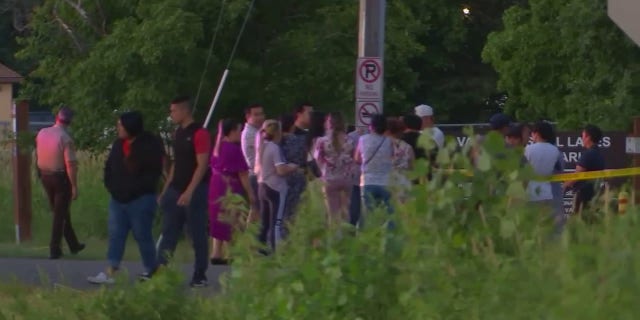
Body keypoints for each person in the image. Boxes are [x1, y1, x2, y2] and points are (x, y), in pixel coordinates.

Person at [88, 111, 164, 284]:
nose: (118, 129)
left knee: (142, 235)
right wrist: (111, 186)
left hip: (141, 199)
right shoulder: (117, 145)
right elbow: (109, 167)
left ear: (131, 126)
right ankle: (111, 270)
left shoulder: (149, 145)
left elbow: (154, 173)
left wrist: (136, 189)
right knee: (116, 234)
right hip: (117, 199)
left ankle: (151, 269)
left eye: (121, 125)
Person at [157, 96, 211, 288]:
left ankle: (200, 274)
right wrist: (166, 190)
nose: (171, 114)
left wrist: (189, 191)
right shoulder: (177, 133)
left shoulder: (200, 133)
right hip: (175, 188)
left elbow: (202, 165)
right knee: (169, 231)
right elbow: (176, 164)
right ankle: (161, 270)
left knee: (197, 233)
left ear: (184, 111)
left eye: (173, 111)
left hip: (195, 191)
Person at [35, 106, 85, 259]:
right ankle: (54, 248)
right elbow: (70, 164)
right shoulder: (65, 138)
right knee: (59, 214)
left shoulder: (42, 133)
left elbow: (37, 153)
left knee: (61, 211)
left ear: (57, 117)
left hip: (45, 175)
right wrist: (74, 186)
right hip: (60, 178)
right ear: (70, 121)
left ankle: (73, 244)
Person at [208, 119, 254, 265]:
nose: (240, 134)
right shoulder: (234, 150)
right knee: (233, 217)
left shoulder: (218, 147)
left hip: (215, 185)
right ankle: (232, 252)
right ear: (232, 131)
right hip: (229, 185)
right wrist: (250, 193)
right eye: (238, 131)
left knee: (219, 217)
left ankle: (216, 252)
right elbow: (243, 174)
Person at [255, 120, 299, 252]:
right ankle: (277, 250)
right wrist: (293, 167)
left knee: (264, 221)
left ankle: (260, 247)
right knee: (276, 222)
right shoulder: (274, 148)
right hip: (275, 187)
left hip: (262, 185)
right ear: (277, 133)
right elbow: (281, 170)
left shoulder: (261, 147)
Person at [314, 112, 356, 225]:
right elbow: (353, 159)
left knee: (332, 215)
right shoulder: (350, 140)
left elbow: (317, 159)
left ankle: (334, 239)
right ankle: (346, 238)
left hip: (329, 179)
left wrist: (323, 172)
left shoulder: (322, 141)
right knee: (345, 213)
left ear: (329, 123)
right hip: (346, 178)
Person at [355, 114, 394, 223]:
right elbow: (392, 156)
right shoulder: (389, 141)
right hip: (386, 182)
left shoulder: (362, 139)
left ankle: (367, 237)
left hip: (368, 181)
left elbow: (357, 159)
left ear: (371, 126)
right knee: (389, 215)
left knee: (368, 216)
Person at [563, 124, 605, 217]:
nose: (581, 138)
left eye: (582, 136)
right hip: (594, 192)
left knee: (579, 222)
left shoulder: (588, 154)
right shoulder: (599, 154)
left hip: (584, 194)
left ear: (588, 137)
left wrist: (564, 186)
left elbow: (577, 175)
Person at [279, 113, 308, 230]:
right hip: (297, 176)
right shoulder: (300, 141)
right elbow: (305, 158)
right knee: (295, 210)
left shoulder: (276, 142)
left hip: (280, 177)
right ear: (292, 126)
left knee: (280, 210)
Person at [524, 121, 561, 207]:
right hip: (547, 193)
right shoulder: (555, 150)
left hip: (530, 193)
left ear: (536, 133)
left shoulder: (528, 149)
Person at [241, 104, 265, 222]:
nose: (260, 117)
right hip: (256, 175)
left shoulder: (257, 131)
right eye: (256, 114)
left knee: (256, 210)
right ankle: (251, 237)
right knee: (257, 211)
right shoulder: (251, 134)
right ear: (248, 116)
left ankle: (250, 237)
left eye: (261, 114)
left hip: (257, 175)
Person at [387, 118, 414, 201]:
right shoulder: (408, 147)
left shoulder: (384, 145)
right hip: (404, 182)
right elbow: (412, 167)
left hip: (388, 180)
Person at [347, 126, 367, 227]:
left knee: (357, 209)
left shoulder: (351, 137)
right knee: (355, 209)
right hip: (358, 177)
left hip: (359, 177)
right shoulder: (351, 136)